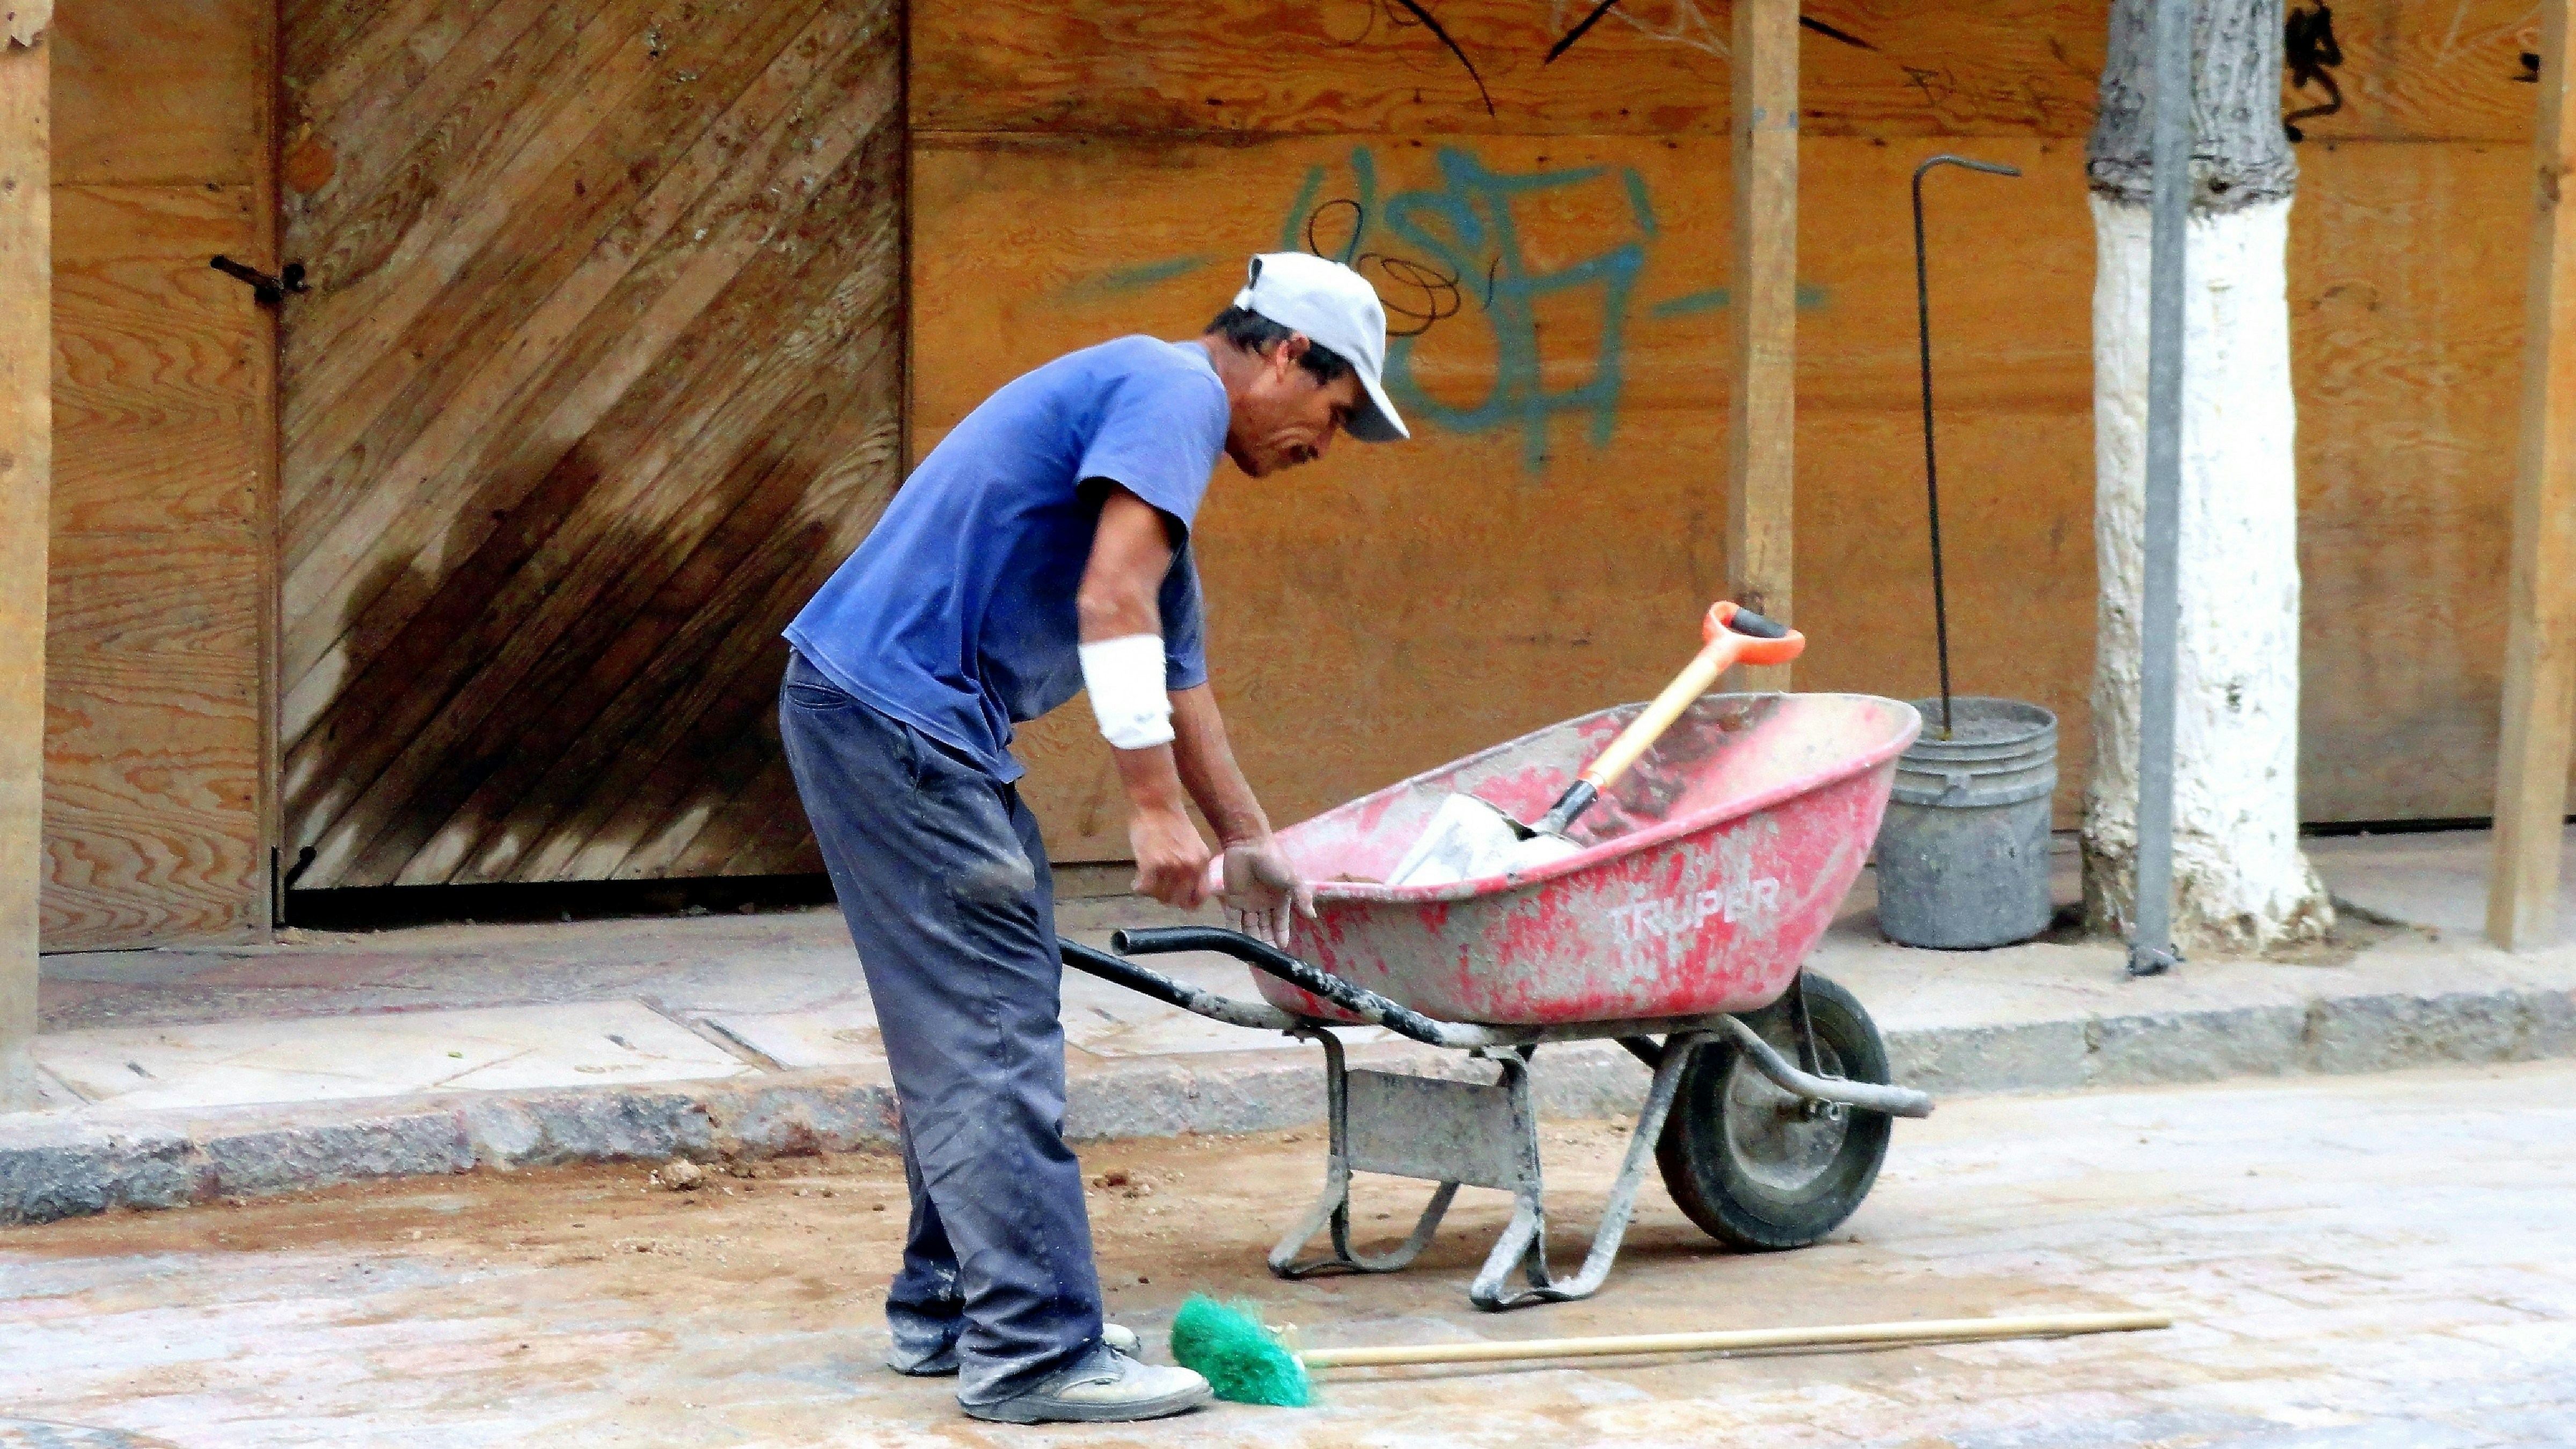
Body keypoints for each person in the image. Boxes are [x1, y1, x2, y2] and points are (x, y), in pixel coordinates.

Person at [776, 252, 1409, 1424]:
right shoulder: (1172, 397)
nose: (1327, 442)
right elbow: (1109, 606)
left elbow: (1178, 674)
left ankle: (959, 1308)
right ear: (1283, 356)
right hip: (897, 721)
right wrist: (1154, 808)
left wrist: (1249, 840)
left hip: (892, 720)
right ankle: (1033, 1351)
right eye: (1334, 409)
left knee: (986, 1015)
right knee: (991, 1032)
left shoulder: (1153, 439)